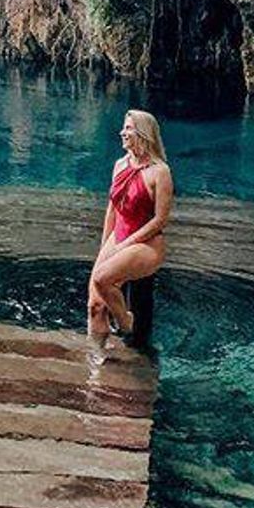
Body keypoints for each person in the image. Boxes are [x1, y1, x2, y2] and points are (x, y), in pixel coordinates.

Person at [87, 109, 172, 344]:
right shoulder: (120, 164)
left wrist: (127, 244)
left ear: (143, 134)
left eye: (128, 129)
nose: (122, 132)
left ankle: (126, 324)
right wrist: (105, 246)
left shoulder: (160, 172)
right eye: (124, 128)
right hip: (119, 235)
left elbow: (160, 220)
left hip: (146, 242)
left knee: (103, 278)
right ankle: (96, 362)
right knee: (95, 305)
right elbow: (112, 209)